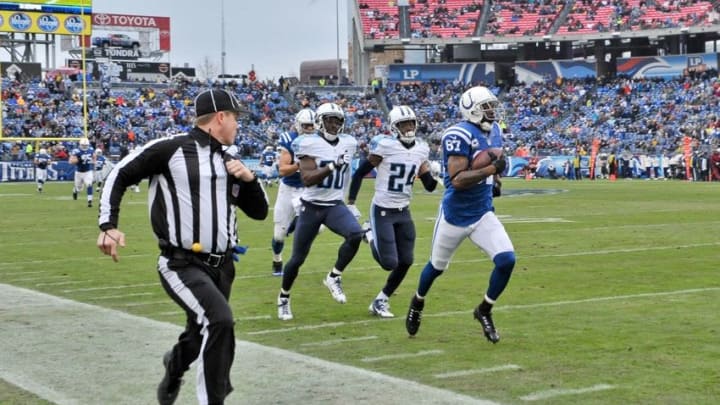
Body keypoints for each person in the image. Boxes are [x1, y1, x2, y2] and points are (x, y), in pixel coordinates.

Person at [96, 88, 268, 405]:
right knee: (220, 321)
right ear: (220, 117)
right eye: (235, 118)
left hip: (223, 266)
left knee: (199, 334)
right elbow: (120, 172)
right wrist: (108, 225)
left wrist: (249, 179)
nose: (238, 125)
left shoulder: (231, 162)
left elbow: (259, 213)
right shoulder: (171, 149)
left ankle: (173, 367)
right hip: (181, 263)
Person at [405, 86, 515, 344]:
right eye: (487, 106)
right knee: (435, 268)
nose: (492, 111)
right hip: (455, 215)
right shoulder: (458, 134)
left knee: (507, 260)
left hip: (482, 212)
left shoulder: (495, 130)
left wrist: (496, 179)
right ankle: (417, 301)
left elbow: (494, 161)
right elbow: (456, 180)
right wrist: (490, 170)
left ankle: (484, 309)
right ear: (473, 109)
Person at [347, 105, 437, 318]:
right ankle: (368, 234)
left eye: (411, 123)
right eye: (403, 124)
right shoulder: (385, 146)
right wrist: (351, 201)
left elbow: (430, 186)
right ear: (394, 127)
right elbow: (360, 173)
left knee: (406, 261)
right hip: (382, 210)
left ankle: (381, 300)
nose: (408, 128)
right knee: (389, 263)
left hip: (403, 210)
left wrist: (436, 174)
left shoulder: (421, 149)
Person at [276, 102, 363, 321]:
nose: (334, 124)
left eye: (338, 120)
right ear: (319, 122)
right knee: (297, 259)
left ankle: (334, 276)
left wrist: (350, 200)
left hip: (334, 204)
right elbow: (307, 178)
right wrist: (333, 165)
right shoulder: (307, 143)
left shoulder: (349, 142)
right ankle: (284, 298)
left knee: (355, 234)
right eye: (329, 120)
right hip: (311, 206)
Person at [270, 108, 316, 276]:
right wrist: (300, 165)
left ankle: (297, 224)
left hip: (307, 189)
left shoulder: (319, 140)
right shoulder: (289, 139)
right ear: (298, 124)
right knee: (279, 236)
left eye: (312, 126)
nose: (309, 129)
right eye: (306, 126)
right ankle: (277, 259)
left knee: (320, 224)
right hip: (288, 189)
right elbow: (282, 170)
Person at [69, 138, 95, 207]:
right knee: (79, 188)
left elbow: (94, 156)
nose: (84, 146)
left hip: (88, 171)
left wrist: (94, 162)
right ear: (80, 145)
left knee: (89, 185)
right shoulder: (76, 151)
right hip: (79, 172)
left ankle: (89, 201)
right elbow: (70, 161)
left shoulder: (91, 150)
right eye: (83, 145)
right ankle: (75, 190)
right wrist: (77, 160)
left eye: (86, 145)